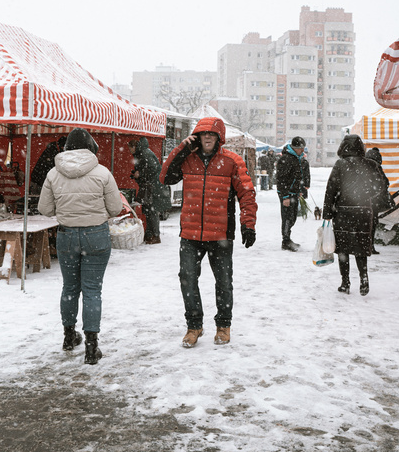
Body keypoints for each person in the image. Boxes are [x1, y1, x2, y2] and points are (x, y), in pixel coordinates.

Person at [160, 118, 257, 348]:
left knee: (223, 282)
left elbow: (246, 193)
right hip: (190, 235)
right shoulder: (187, 160)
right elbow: (165, 177)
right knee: (187, 279)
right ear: (197, 137)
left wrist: (248, 224)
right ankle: (194, 325)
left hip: (220, 235)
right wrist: (182, 149)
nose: (207, 138)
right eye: (203, 134)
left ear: (219, 138)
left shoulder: (231, 161)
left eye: (212, 135)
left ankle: (224, 325)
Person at [38, 128, 121, 365]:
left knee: (70, 288)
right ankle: (92, 346)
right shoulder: (103, 173)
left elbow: (45, 209)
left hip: (66, 236)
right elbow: (115, 208)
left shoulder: (54, 174)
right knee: (92, 290)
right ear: (91, 147)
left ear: (66, 148)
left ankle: (68, 336)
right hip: (96, 235)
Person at [322, 135, 392, 296]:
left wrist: (327, 213)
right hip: (363, 212)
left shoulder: (340, 164)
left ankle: (345, 282)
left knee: (343, 249)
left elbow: (330, 189)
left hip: (343, 211)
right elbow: (381, 186)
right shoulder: (371, 164)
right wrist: (367, 197)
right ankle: (364, 278)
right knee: (361, 247)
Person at [128, 137, 170, 244]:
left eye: (130, 148)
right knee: (148, 210)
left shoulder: (144, 153)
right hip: (150, 186)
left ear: (134, 146)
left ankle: (155, 236)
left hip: (153, 187)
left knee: (152, 211)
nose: (130, 151)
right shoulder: (143, 153)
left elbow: (153, 169)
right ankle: (150, 234)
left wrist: (140, 174)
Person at [274, 136, 311, 251]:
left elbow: (298, 177)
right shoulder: (286, 159)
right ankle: (285, 241)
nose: (302, 150)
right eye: (301, 148)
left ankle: (288, 238)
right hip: (286, 193)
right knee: (287, 218)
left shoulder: (297, 158)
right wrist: (285, 196)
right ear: (295, 148)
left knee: (293, 217)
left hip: (294, 193)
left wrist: (299, 191)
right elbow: (281, 179)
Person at [364, 147, 394, 255]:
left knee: (364, 225)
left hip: (362, 202)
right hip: (374, 202)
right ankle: (370, 247)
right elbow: (385, 182)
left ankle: (362, 246)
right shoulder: (377, 167)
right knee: (372, 224)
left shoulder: (362, 167)